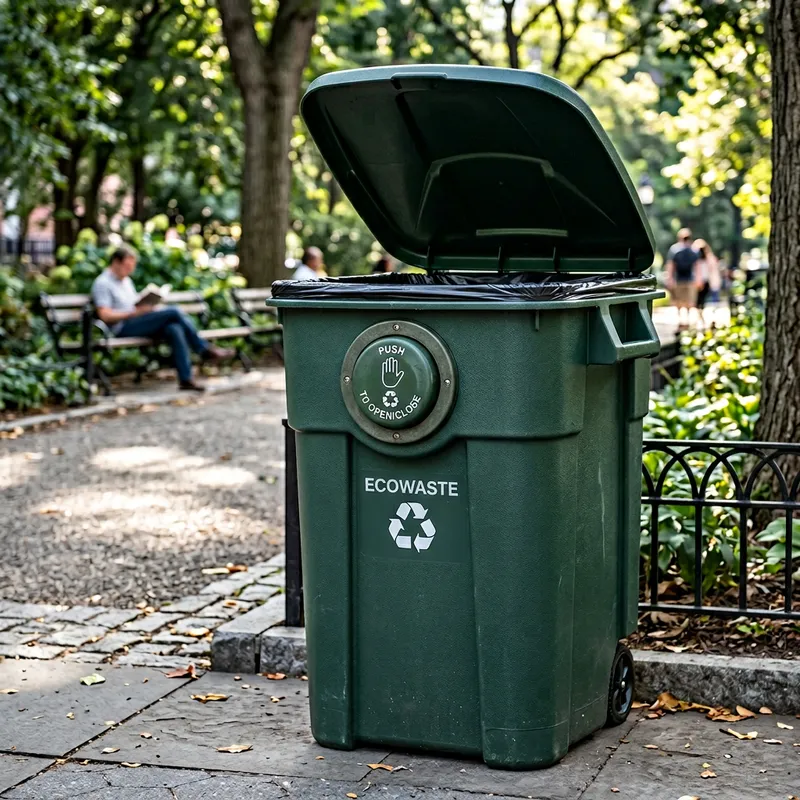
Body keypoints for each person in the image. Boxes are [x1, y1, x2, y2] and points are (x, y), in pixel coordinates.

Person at [91, 246, 234, 392]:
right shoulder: (103, 283)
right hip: (121, 328)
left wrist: (147, 305)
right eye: (127, 266)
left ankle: (186, 379)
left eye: (132, 267)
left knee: (174, 329)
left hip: (138, 322)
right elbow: (105, 315)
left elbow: (133, 304)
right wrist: (134, 313)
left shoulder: (126, 281)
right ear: (116, 262)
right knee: (174, 311)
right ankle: (203, 349)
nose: (130, 271)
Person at [665, 228, 700, 330]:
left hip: (683, 279)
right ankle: (684, 320)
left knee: (683, 301)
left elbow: (671, 265)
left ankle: (683, 321)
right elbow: (696, 266)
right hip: (684, 279)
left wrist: (669, 278)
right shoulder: (693, 250)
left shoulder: (675, 249)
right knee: (684, 301)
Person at [693, 238, 721, 327]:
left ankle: (711, 320)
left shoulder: (710, 258)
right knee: (700, 303)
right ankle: (702, 320)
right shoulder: (697, 260)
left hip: (709, 283)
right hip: (700, 283)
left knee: (710, 303)